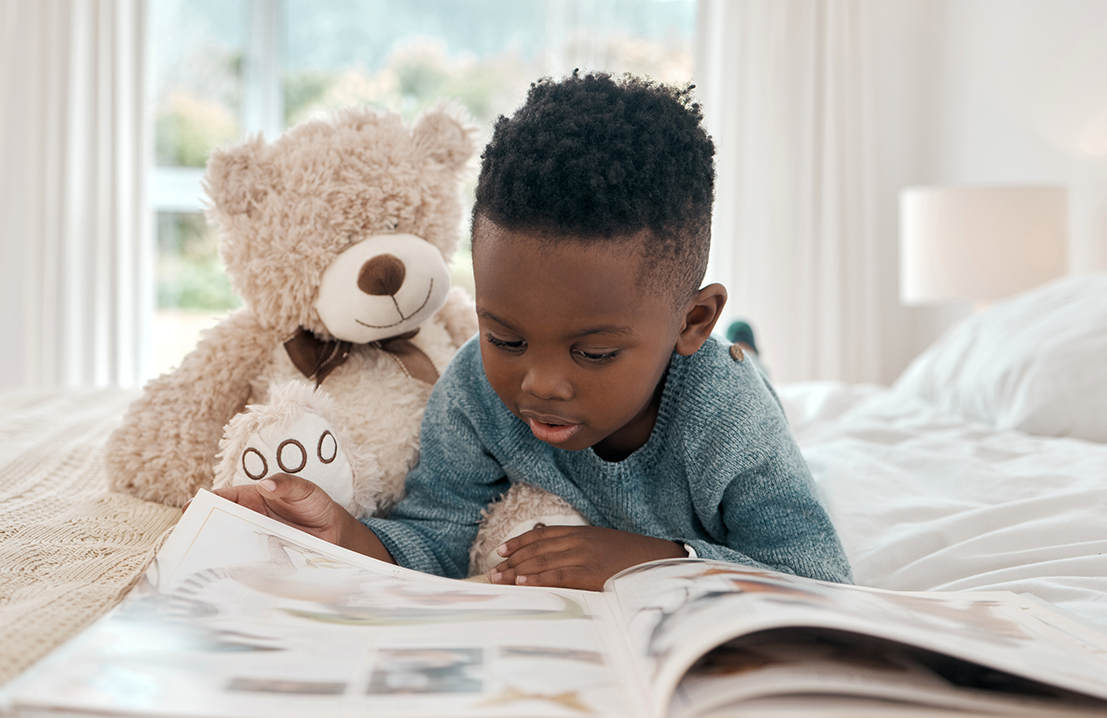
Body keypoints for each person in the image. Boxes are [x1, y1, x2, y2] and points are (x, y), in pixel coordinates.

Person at [214, 71, 853, 591]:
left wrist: (649, 558)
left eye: (595, 352)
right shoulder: (474, 390)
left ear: (691, 321)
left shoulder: (732, 422)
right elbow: (438, 533)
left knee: (759, 380)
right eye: (507, 339)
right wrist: (342, 533)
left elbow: (817, 576)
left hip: (739, 386)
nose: (539, 384)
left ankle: (750, 347)